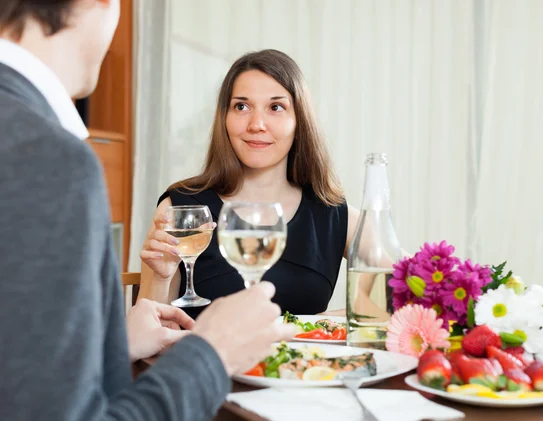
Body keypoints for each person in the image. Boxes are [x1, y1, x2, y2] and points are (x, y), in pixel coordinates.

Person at [0, 1, 294, 420]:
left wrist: (115, 342)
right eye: (241, 106)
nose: (256, 123)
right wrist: (210, 353)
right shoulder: (47, 157)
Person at [139, 49, 362, 319]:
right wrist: (161, 279)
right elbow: (147, 342)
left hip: (305, 362)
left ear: (299, 121)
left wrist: (310, 325)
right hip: (210, 361)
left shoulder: (332, 212)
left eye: (276, 107)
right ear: (225, 118)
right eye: (241, 106)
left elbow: (410, 291)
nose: (256, 124)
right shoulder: (180, 208)